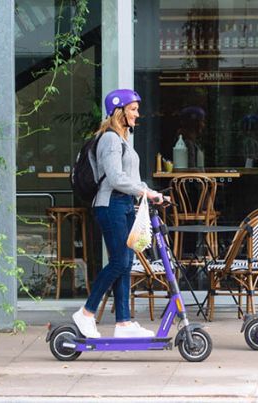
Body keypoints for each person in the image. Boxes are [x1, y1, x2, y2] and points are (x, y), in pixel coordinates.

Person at [73, 89, 166, 338]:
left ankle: (123, 323)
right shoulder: (111, 139)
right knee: (120, 261)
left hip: (123, 204)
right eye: (133, 109)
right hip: (110, 204)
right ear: (120, 111)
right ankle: (86, 313)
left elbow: (130, 179)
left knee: (124, 264)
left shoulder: (122, 139)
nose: (137, 113)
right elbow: (115, 179)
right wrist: (146, 193)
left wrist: (152, 192)